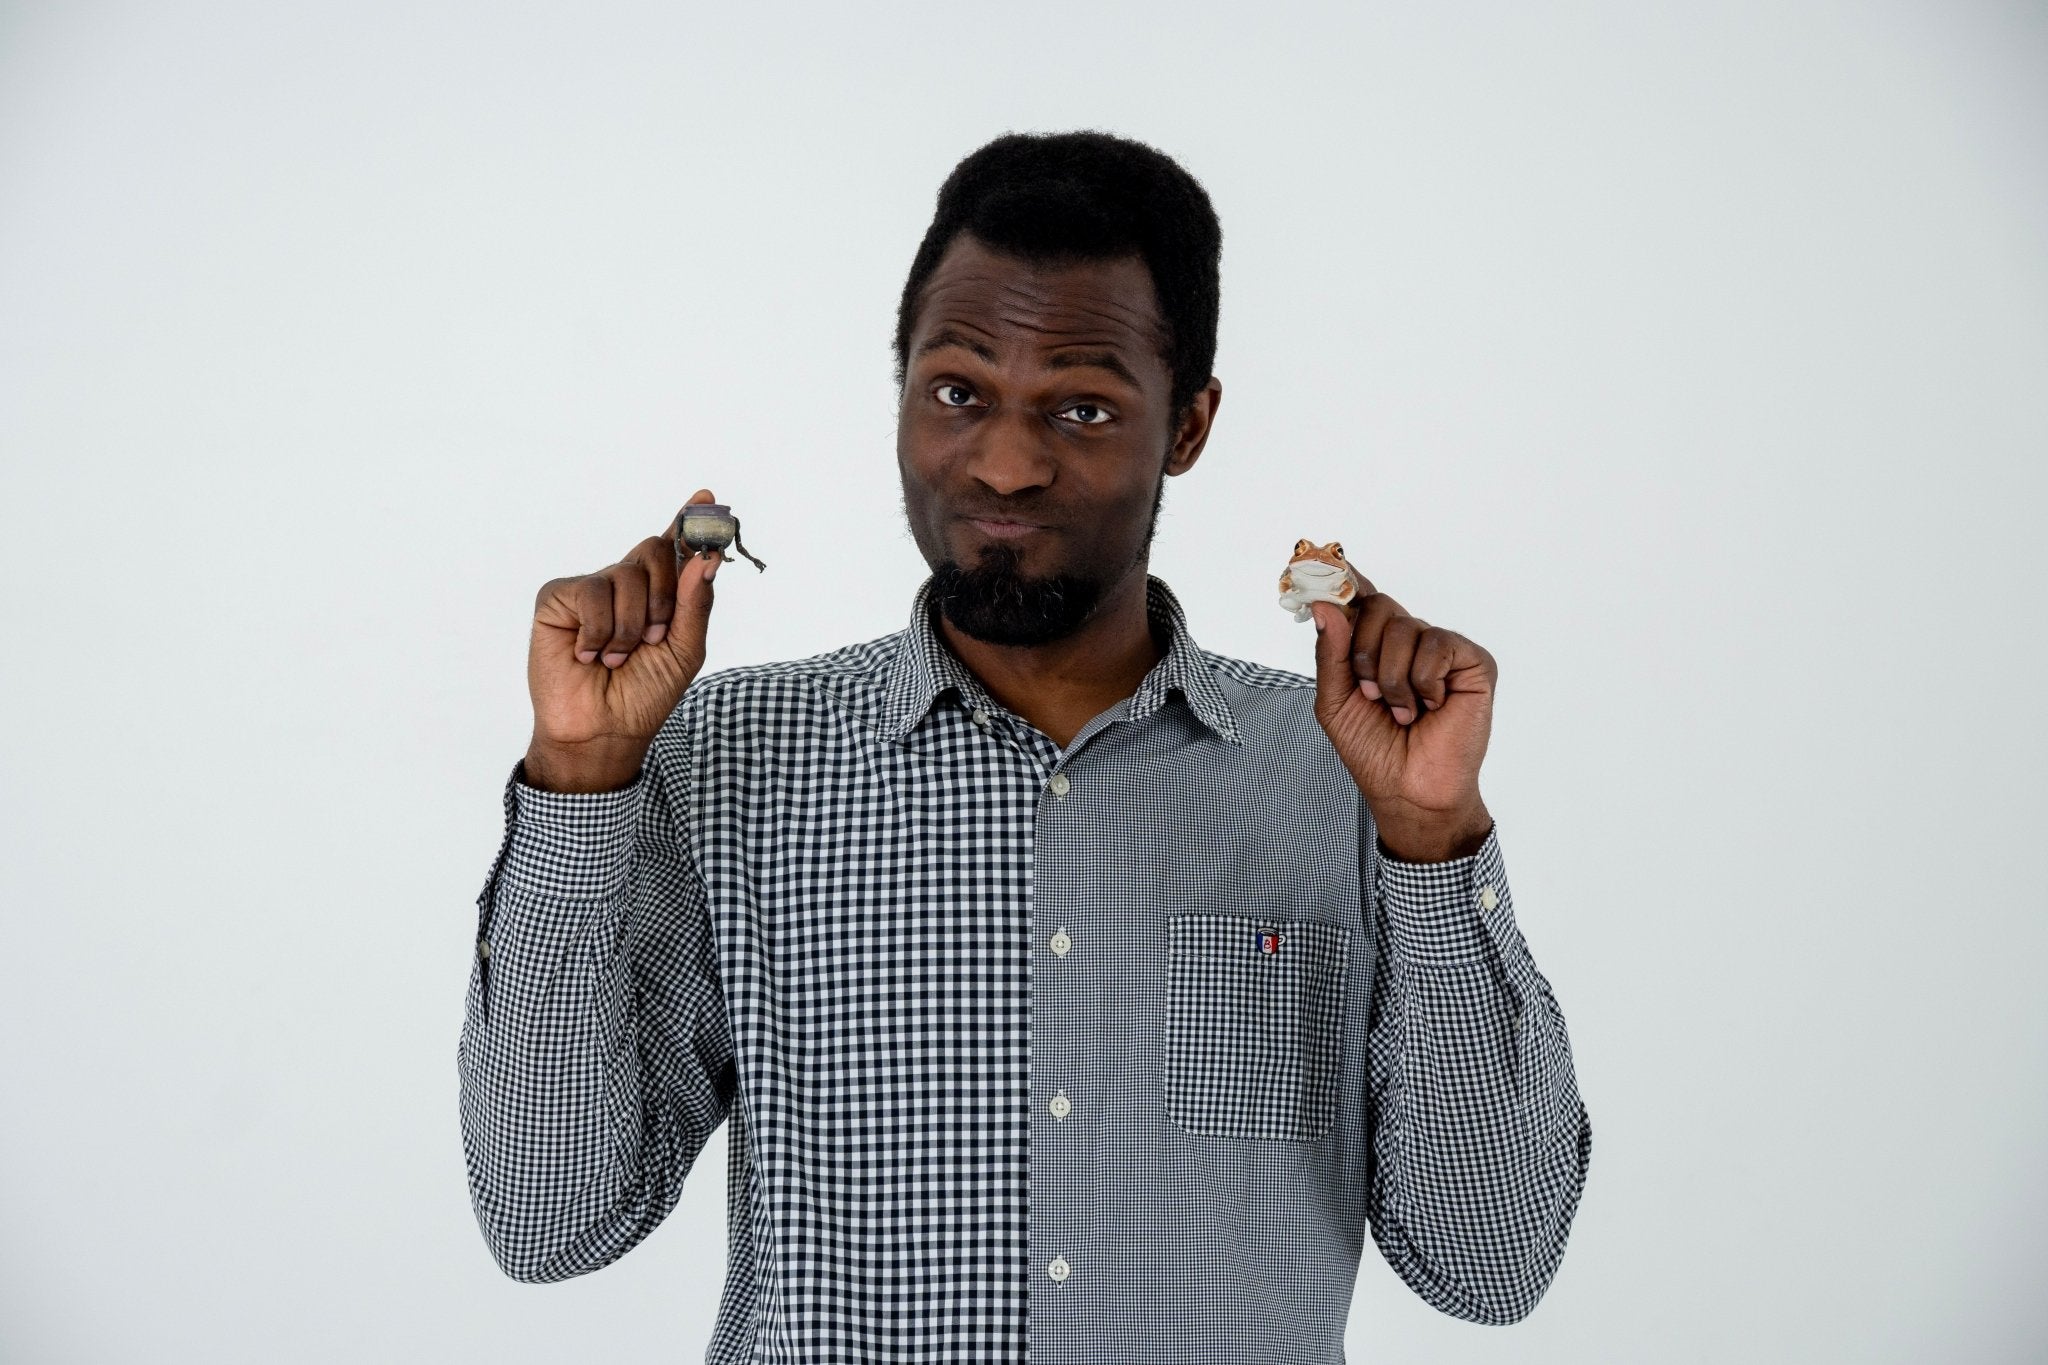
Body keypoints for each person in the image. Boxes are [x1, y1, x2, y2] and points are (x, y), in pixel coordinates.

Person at [458, 129, 1592, 1364]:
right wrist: (579, 779)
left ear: (1188, 425)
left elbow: (1489, 1264)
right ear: (897, 384)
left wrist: (1428, 841)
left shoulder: (1338, 773)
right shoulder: (729, 757)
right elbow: (548, 1220)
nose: (1002, 461)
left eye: (1082, 406)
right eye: (956, 392)